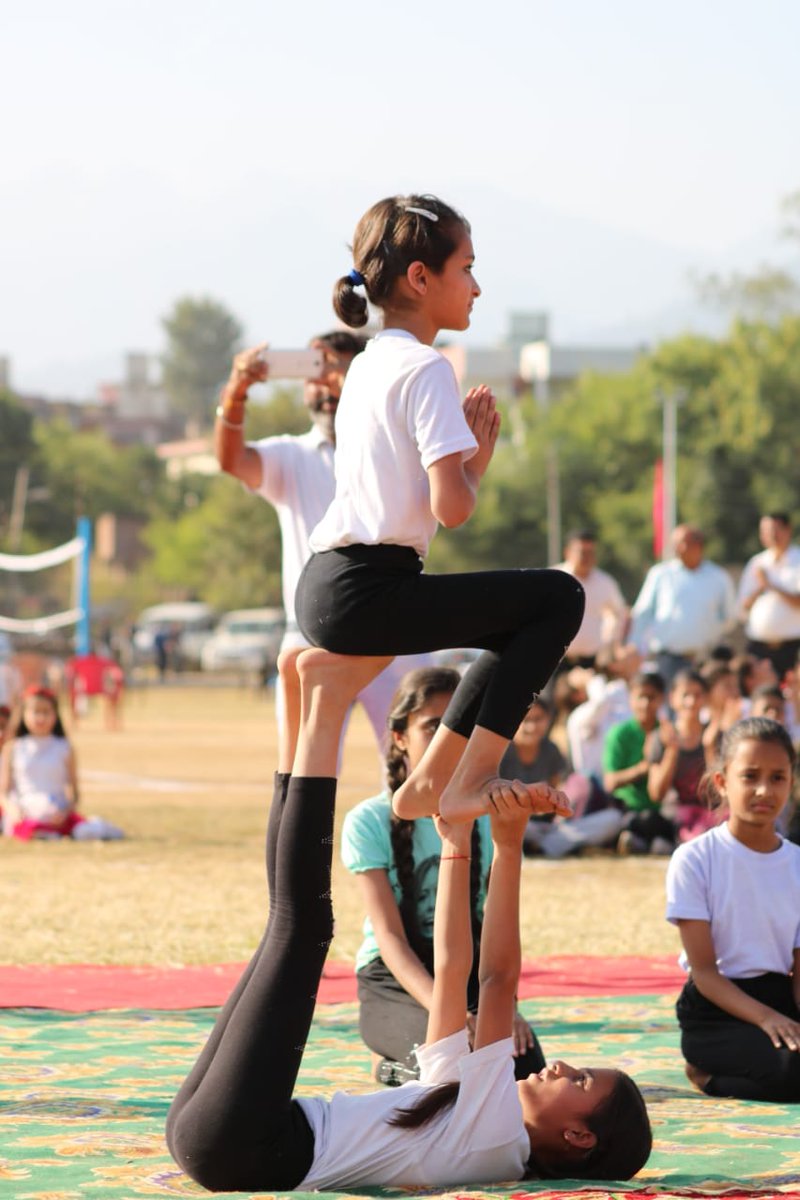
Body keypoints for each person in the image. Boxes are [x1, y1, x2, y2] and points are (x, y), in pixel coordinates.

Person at [166, 766, 652, 1190]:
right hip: (221, 1140)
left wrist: (508, 846)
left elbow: (498, 978)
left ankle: (319, 714)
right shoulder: (471, 1118)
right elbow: (451, 968)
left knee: (299, 929)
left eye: (581, 1080)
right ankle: (305, 716)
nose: (563, 1065)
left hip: (253, 1143)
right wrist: (455, 840)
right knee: (285, 930)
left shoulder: (501, 1135)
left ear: (579, 1137)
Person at [288, 193, 585, 824]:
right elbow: (451, 509)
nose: (477, 287)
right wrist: (476, 462)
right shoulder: (426, 368)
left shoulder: (369, 362)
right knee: (560, 598)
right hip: (368, 589)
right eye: (467, 268)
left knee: (516, 624)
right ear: (421, 278)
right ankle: (467, 778)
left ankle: (432, 782)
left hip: (327, 584)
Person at [215, 330, 430, 776]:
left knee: (414, 770)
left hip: (394, 631)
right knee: (300, 773)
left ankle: (416, 848)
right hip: (311, 633)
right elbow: (233, 460)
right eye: (315, 374)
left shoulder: (394, 448)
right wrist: (235, 394)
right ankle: (301, 847)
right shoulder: (292, 456)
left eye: (336, 371)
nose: (325, 388)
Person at [341, 666, 543, 1084]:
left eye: (461, 727)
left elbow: (493, 928)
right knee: (443, 1069)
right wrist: (452, 1014)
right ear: (400, 737)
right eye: (434, 727)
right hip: (396, 979)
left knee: (519, 1071)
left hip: (468, 971)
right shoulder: (369, 821)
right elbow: (392, 942)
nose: (450, 742)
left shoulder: (487, 816)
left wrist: (506, 1006)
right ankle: (390, 1066)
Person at [665, 717, 800, 1101]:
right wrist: (768, 1019)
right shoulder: (695, 859)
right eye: (750, 776)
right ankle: (706, 1076)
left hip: (778, 997)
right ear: (722, 782)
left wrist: (788, 1014)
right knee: (791, 1072)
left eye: (778, 777)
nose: (764, 790)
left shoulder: (797, 864)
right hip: (715, 1009)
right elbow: (705, 973)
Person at [502, 697, 624, 859]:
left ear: (548, 720)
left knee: (613, 819)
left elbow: (558, 789)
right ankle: (547, 846)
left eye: (538, 719)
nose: (531, 727)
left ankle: (544, 846)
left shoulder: (551, 750)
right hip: (515, 822)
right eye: (525, 720)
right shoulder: (502, 752)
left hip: (550, 826)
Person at [0, 686, 123, 840]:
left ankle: (99, 827)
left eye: (46, 712)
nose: (41, 718)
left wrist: (64, 812)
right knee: (30, 832)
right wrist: (13, 810)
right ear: (23, 714)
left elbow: (74, 792)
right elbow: (3, 793)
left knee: (84, 833)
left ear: (55, 715)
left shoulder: (64, 747)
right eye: (35, 712)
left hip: (56, 812)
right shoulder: (13, 748)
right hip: (24, 813)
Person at [630, 525, 736, 687]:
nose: (675, 548)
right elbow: (643, 613)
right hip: (668, 658)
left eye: (681, 543)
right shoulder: (660, 574)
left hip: (706, 660)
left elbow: (729, 617)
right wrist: (635, 646)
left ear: (698, 545)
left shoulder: (718, 577)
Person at [602, 672, 675, 854]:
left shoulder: (667, 733)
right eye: (640, 697)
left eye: (651, 697)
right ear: (630, 699)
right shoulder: (620, 734)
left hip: (662, 808)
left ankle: (640, 842)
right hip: (627, 808)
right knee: (639, 821)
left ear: (661, 699)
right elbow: (610, 782)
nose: (645, 704)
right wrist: (644, 767)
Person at [648, 670, 714, 845]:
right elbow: (656, 793)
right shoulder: (660, 737)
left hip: (709, 816)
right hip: (674, 815)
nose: (691, 702)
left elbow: (718, 794)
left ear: (705, 698)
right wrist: (672, 750)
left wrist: (710, 747)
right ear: (672, 698)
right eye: (685, 695)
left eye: (697, 695)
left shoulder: (715, 735)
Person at [738, 512, 800, 682]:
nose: (772, 535)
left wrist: (771, 585)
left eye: (776, 529)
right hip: (759, 646)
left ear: (788, 530)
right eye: (765, 530)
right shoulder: (756, 563)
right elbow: (743, 605)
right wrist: (760, 588)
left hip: (792, 646)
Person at [554, 530, 628, 671]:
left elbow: (618, 613)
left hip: (592, 661)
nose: (587, 557)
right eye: (582, 552)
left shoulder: (605, 583)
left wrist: (611, 642)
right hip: (556, 660)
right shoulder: (553, 579)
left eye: (591, 553)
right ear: (568, 552)